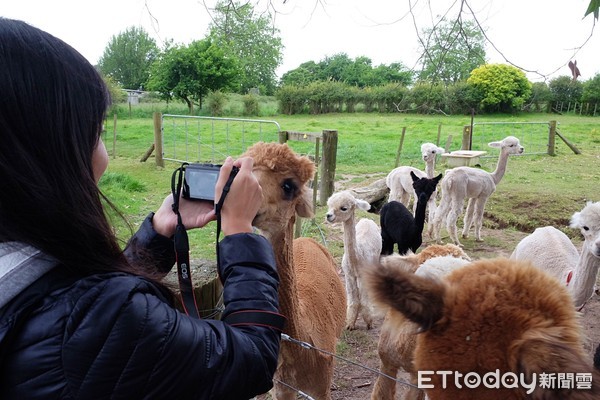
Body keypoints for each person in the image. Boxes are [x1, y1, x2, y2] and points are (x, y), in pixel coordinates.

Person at [0, 18, 282, 399]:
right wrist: (238, 231)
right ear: (52, 150)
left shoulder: (24, 269)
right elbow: (252, 359)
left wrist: (156, 237)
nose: (104, 154)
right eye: (97, 131)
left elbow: (66, 300)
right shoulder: (100, 317)